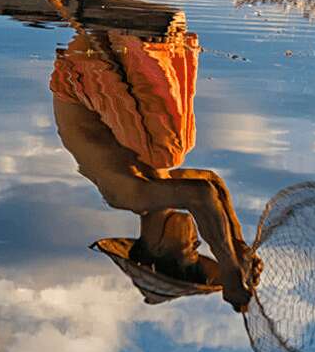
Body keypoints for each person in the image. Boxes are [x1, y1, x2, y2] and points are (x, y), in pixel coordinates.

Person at [47, 18, 260, 311]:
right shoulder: (151, 184)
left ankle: (140, 45)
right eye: (200, 247)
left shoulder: (128, 197)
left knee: (169, 153)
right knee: (168, 157)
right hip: (96, 67)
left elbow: (201, 196)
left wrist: (229, 268)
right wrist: (237, 248)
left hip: (84, 71)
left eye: (190, 249)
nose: (198, 241)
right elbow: (211, 182)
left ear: (159, 247)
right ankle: (142, 45)